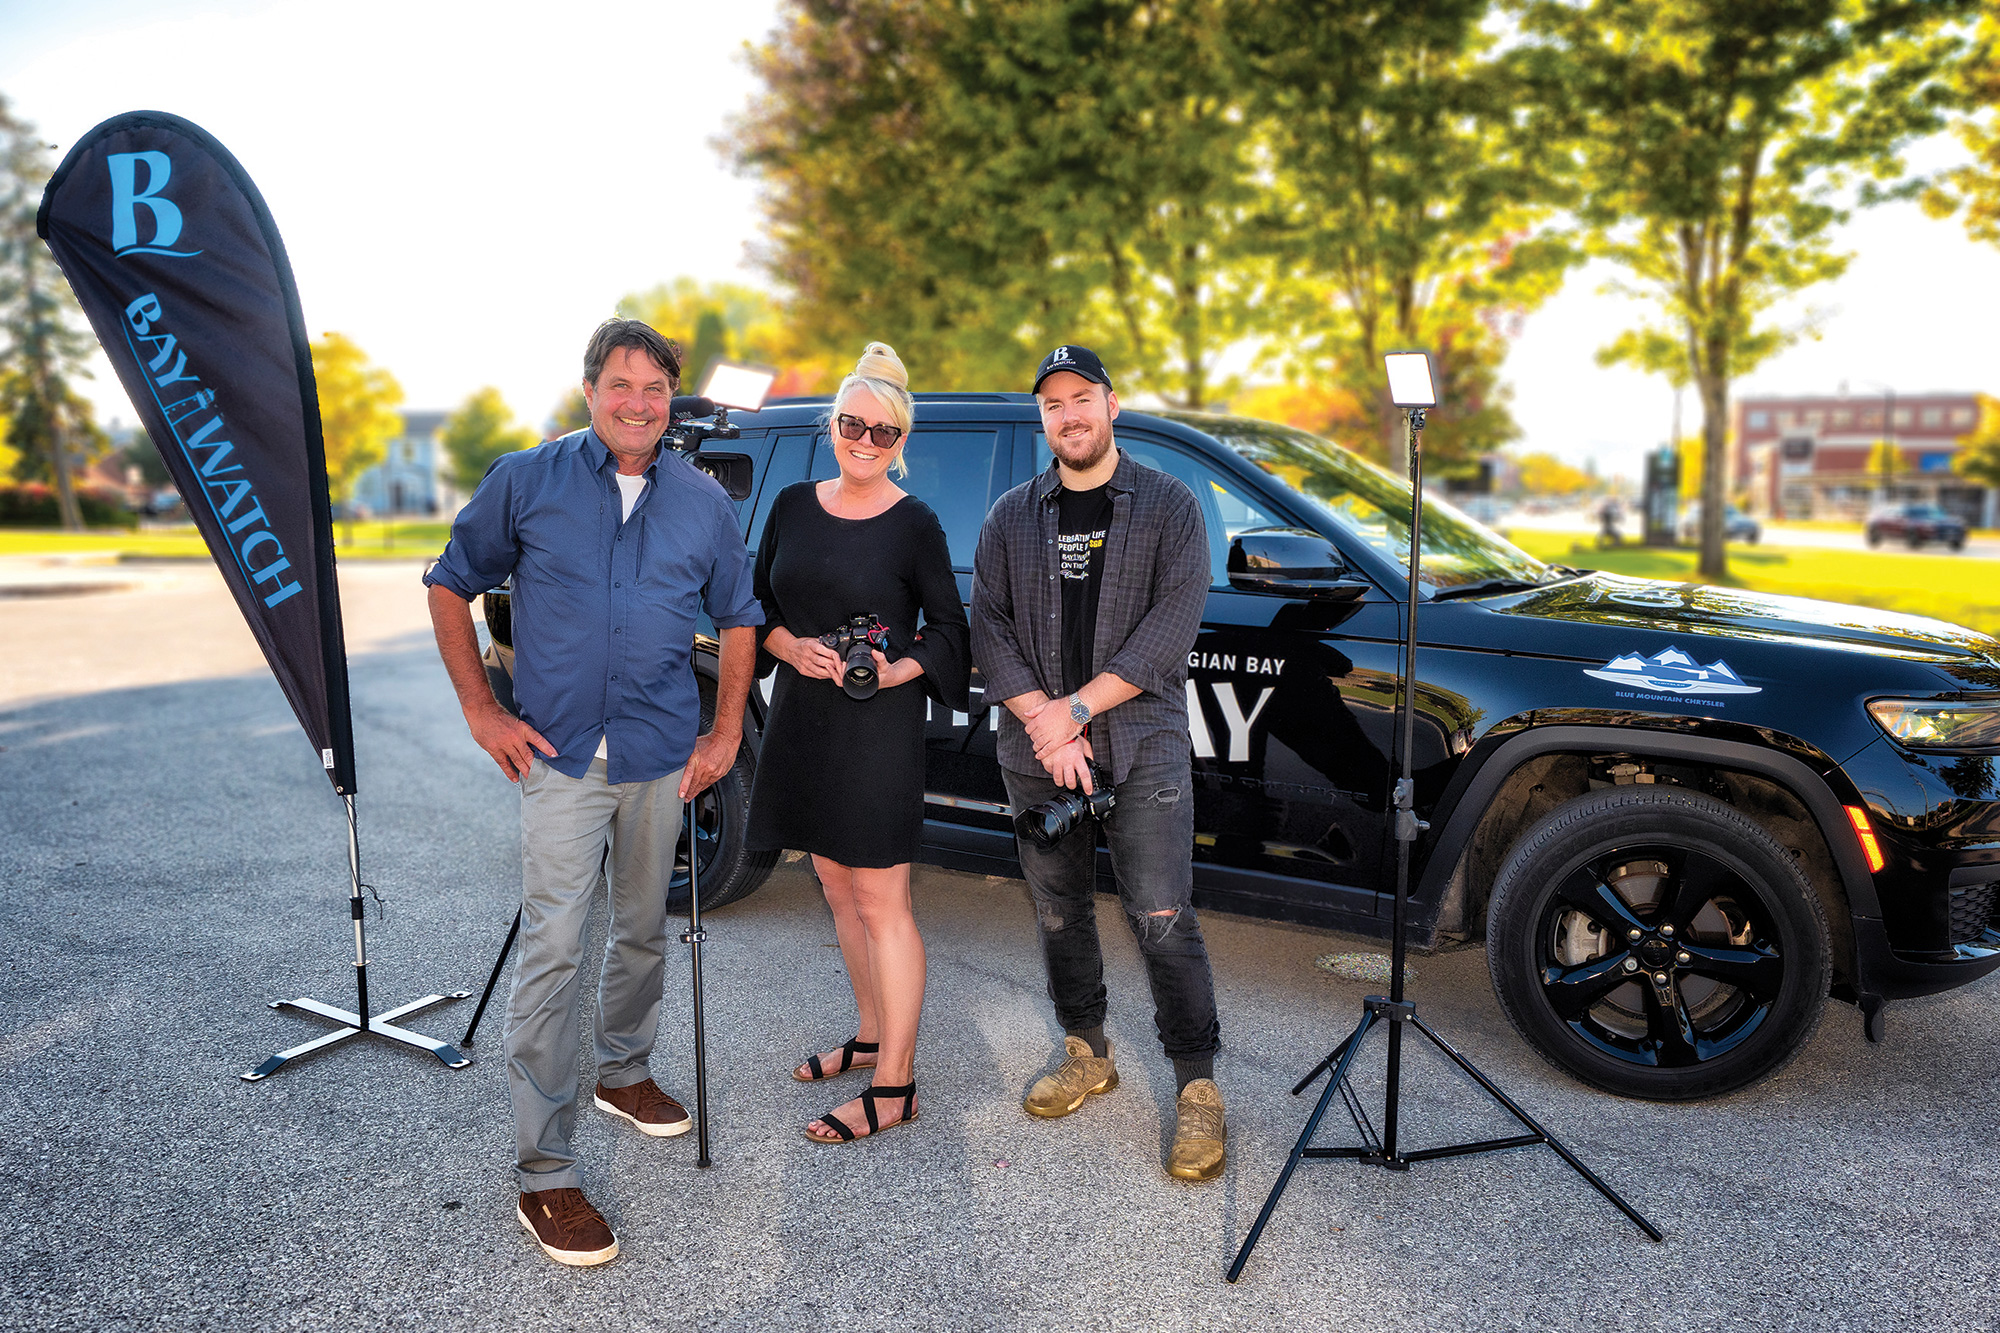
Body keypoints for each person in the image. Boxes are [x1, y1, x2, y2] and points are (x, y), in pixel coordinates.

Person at [424, 319, 763, 1267]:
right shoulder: (525, 480)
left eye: (655, 388)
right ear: (588, 390)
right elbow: (449, 585)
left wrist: (726, 730)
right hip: (562, 757)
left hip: (660, 753)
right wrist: (481, 709)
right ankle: (546, 1175)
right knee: (556, 952)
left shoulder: (701, 500)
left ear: (669, 401)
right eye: (621, 384)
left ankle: (623, 1071)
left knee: (644, 928)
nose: (638, 402)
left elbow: (740, 616)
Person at [969, 344, 1227, 1181]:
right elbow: (990, 627)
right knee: (1058, 912)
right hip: (1037, 752)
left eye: (1083, 397)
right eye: (1053, 403)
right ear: (1041, 417)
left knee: (1160, 917)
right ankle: (1087, 1049)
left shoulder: (1169, 506)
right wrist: (1046, 723)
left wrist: (1074, 711)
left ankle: (1197, 1087)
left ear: (1112, 405)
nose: (1069, 414)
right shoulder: (1013, 513)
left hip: (1139, 744)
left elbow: (1170, 628)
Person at [746, 342, 970, 1144]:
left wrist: (894, 665)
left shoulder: (916, 523)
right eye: (851, 424)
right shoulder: (792, 506)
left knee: (884, 900)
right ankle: (873, 1034)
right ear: (830, 424)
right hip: (806, 718)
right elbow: (752, 602)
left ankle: (896, 1084)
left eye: (882, 432)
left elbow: (950, 632)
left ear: (900, 442)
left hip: (877, 729)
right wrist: (788, 648)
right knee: (836, 887)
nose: (864, 441)